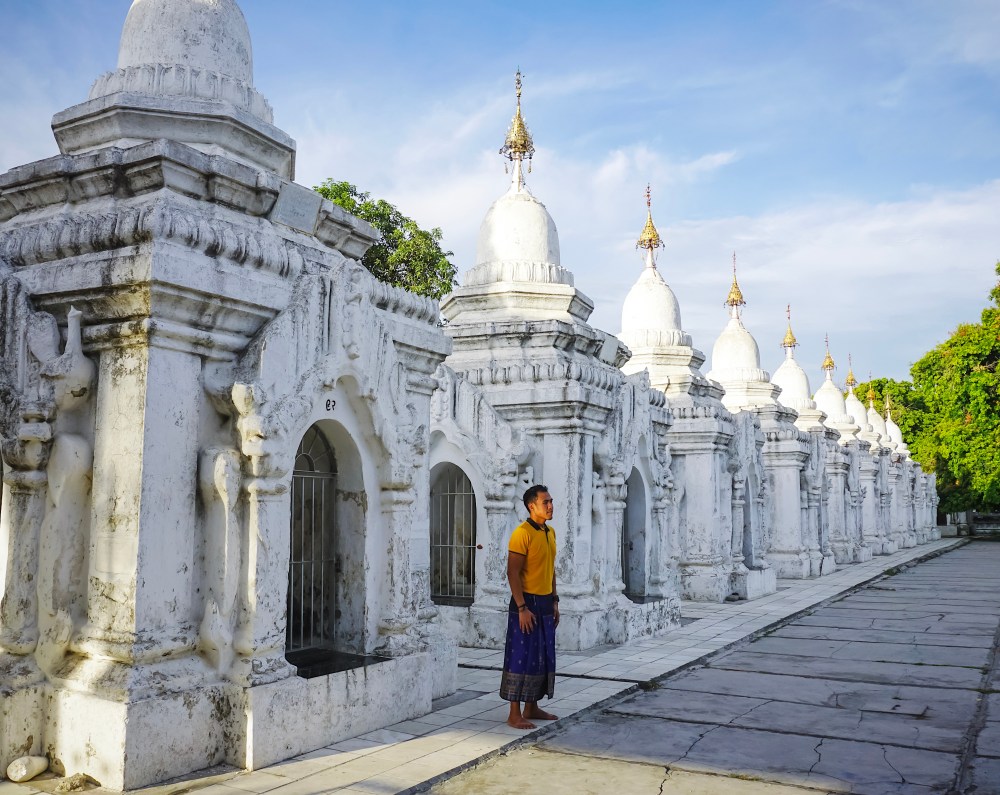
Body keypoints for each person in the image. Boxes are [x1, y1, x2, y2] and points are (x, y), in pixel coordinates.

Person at [499, 484, 560, 729]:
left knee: (542, 657)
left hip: (545, 601)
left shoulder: (550, 532)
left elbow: (551, 569)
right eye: (545, 502)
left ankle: (532, 706)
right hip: (526, 602)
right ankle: (514, 713)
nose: (550, 506)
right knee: (521, 656)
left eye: (551, 501)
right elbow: (512, 572)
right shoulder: (521, 533)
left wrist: (555, 600)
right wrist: (522, 608)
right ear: (531, 506)